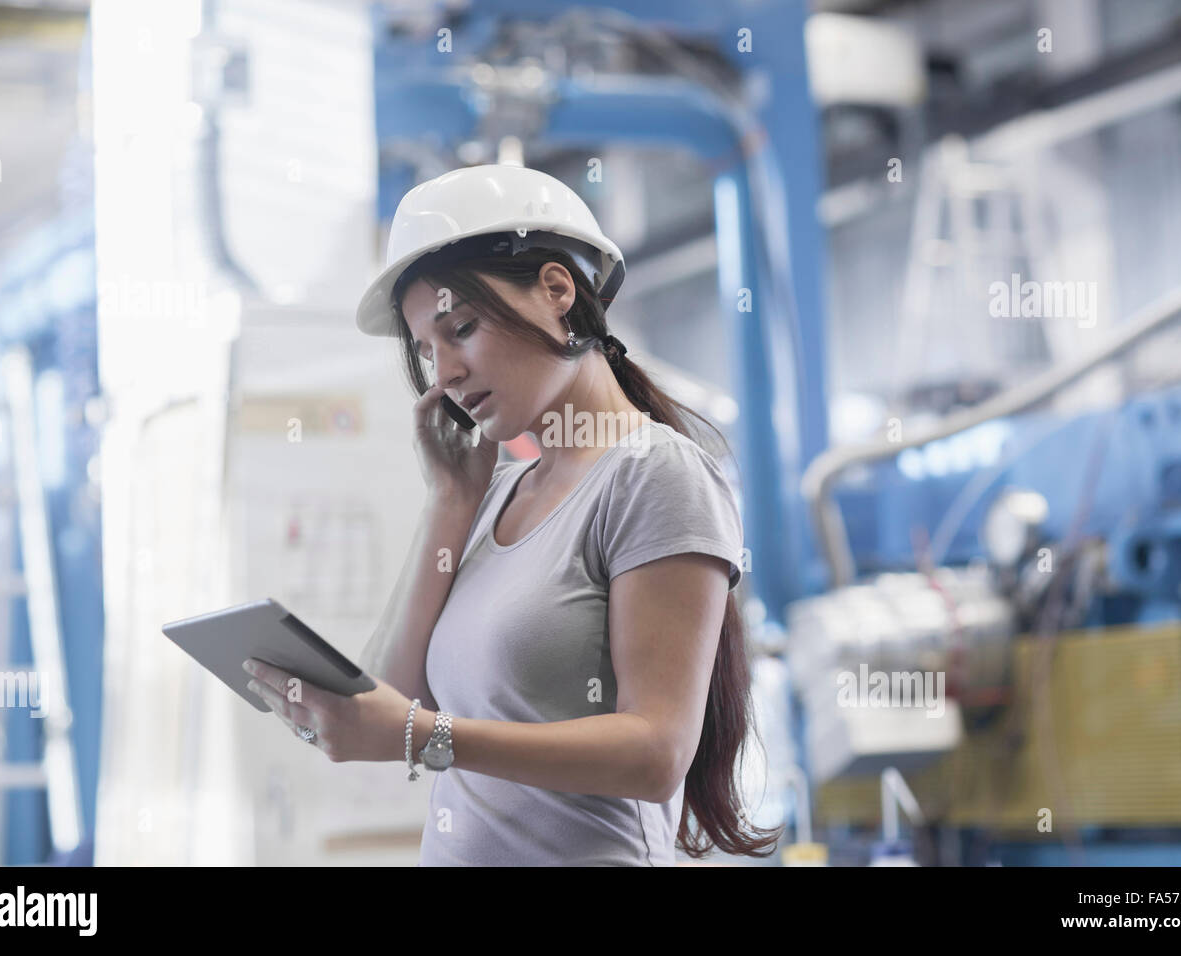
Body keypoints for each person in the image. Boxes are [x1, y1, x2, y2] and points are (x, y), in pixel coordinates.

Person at [244, 165, 781, 865]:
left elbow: (655, 751)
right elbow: (394, 691)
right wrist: (451, 501)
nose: (445, 376)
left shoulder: (654, 475)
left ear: (558, 291)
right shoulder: (498, 493)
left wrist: (425, 737)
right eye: (427, 352)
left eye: (460, 328)